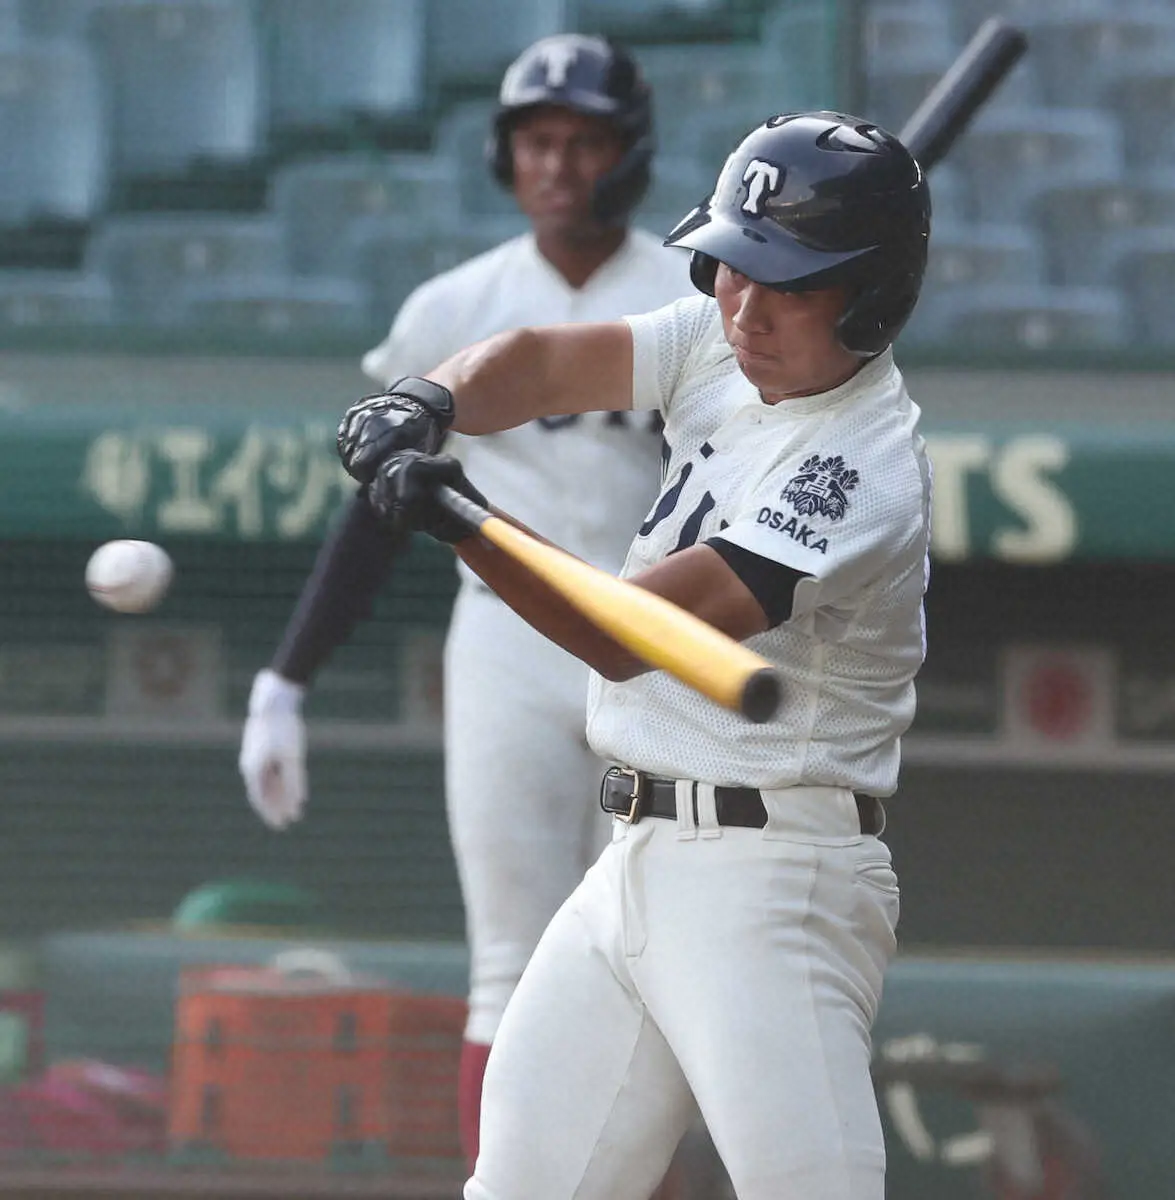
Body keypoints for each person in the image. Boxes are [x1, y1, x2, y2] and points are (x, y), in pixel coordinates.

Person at [334, 110, 934, 1200]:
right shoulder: (722, 334)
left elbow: (623, 636)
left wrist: (464, 520)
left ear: (872, 298)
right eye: (731, 269)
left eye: (787, 282)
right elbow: (542, 362)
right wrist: (428, 401)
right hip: (633, 864)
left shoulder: (856, 468)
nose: (742, 308)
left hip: (770, 876)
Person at [237, 33, 691, 1169]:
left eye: (582, 140)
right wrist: (286, 675)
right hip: (506, 642)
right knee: (509, 959)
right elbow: (381, 499)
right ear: (504, 156)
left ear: (626, 155)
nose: (555, 164)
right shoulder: (458, 304)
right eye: (535, 140)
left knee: (660, 961)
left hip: (657, 646)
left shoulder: (691, 299)